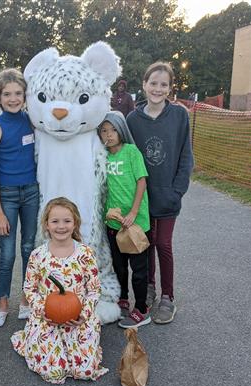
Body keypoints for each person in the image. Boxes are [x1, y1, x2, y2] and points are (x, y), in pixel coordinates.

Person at [11, 197, 108, 385]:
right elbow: (29, 288)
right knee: (53, 372)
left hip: (77, 317)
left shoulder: (86, 254)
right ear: (46, 224)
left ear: (75, 223)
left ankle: (84, 348)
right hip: (47, 318)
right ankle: (32, 340)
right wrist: (42, 311)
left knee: (85, 370)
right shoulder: (38, 255)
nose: (61, 226)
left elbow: (94, 289)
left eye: (67, 221)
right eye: (55, 221)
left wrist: (84, 313)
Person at [126, 62, 194, 324]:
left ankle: (168, 297)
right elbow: (129, 157)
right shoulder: (133, 120)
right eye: (153, 83)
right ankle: (149, 288)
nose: (157, 88)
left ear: (170, 88)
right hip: (142, 197)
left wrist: (177, 190)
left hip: (168, 195)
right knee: (146, 244)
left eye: (163, 84)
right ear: (144, 84)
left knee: (163, 244)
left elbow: (186, 156)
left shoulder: (179, 116)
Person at [0, 68, 39, 327]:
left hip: (31, 192)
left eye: (18, 93)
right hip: (6, 196)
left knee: (29, 249)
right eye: (7, 94)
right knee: (7, 254)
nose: (13, 98)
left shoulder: (32, 121)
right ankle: (3, 303)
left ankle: (26, 299)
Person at [98, 111, 150, 328]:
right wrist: (105, 214)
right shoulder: (101, 156)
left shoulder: (131, 152)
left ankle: (142, 310)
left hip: (135, 224)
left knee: (138, 270)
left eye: (113, 130)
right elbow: (101, 190)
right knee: (119, 268)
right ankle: (123, 301)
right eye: (104, 131)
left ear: (121, 131)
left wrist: (133, 213)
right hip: (114, 225)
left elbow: (142, 182)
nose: (109, 135)